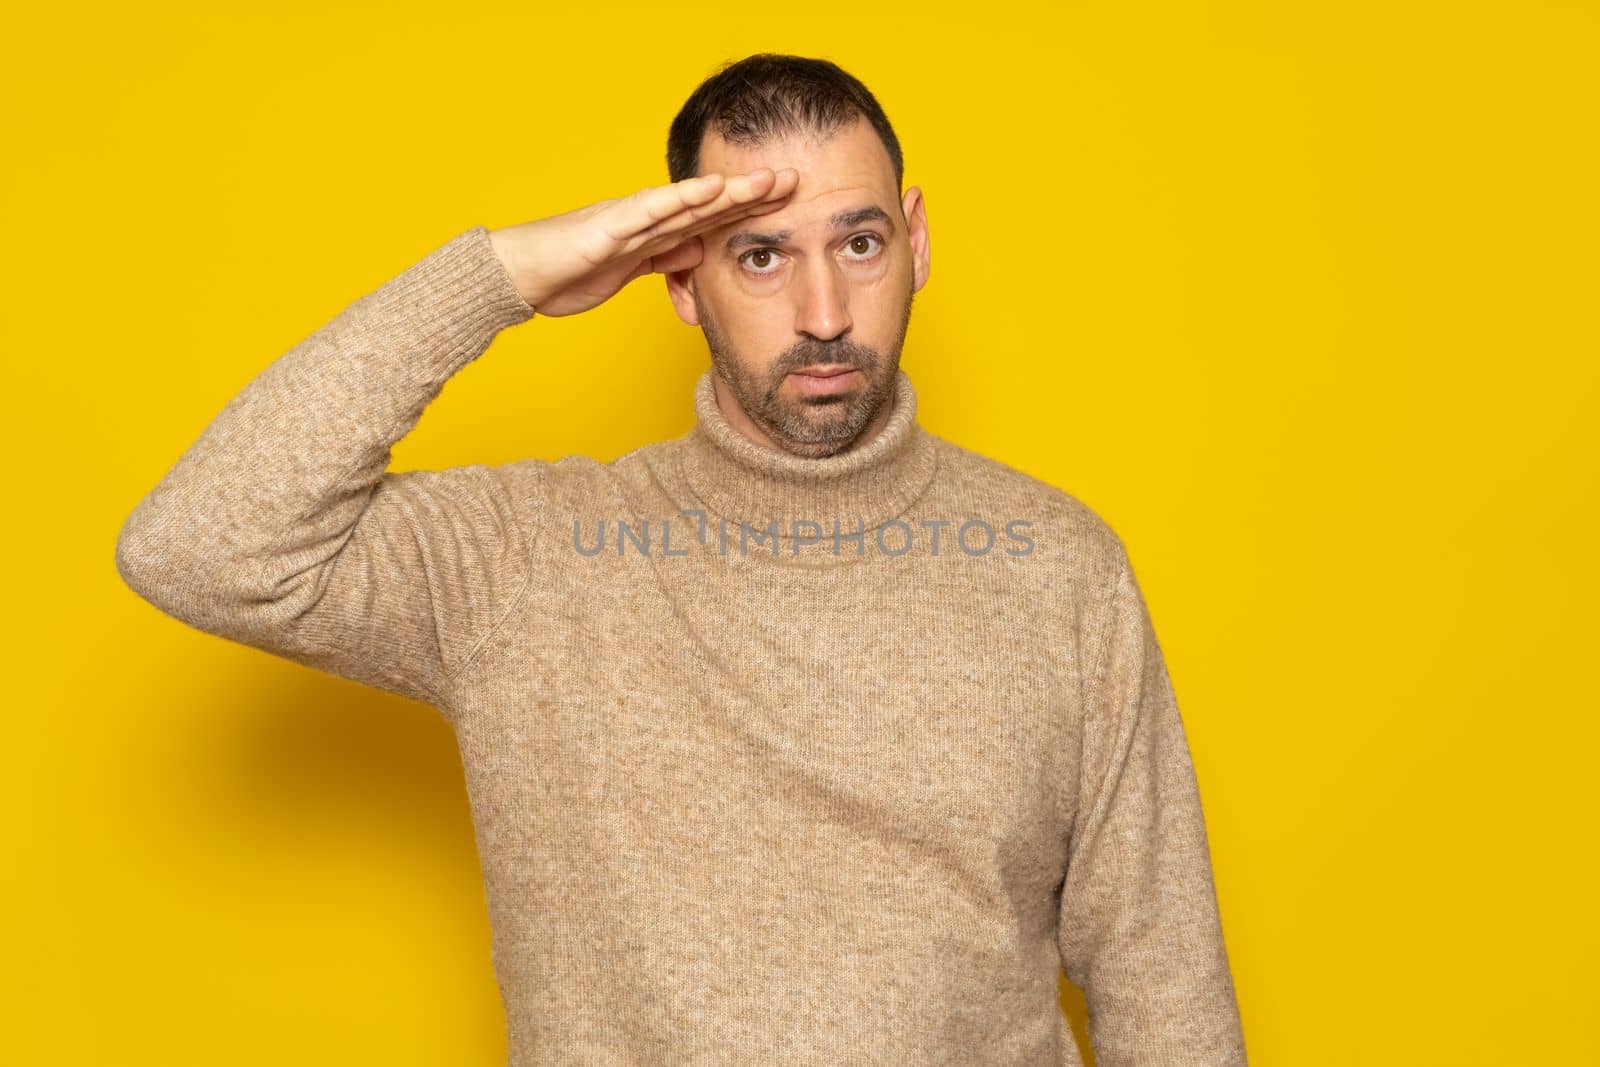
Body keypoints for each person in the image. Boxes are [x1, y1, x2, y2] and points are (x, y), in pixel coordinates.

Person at [116, 52, 1246, 1066]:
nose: (823, 311)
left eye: (858, 244)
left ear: (916, 241)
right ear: (676, 279)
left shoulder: (1055, 567)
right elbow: (201, 545)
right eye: (760, 257)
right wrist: (493, 281)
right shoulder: (528, 562)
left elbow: (1165, 987)